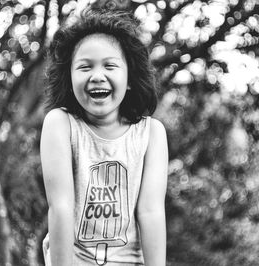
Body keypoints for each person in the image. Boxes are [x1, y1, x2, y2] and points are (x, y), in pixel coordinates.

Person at [40, 7, 168, 266]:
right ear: (70, 78)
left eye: (110, 65)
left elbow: (151, 211)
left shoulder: (151, 134)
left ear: (129, 78)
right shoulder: (61, 125)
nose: (97, 76)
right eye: (85, 67)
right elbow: (61, 208)